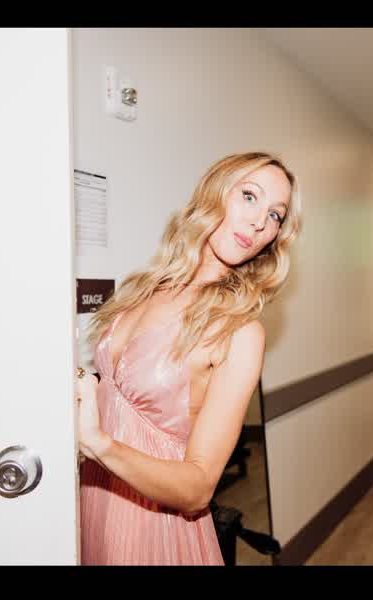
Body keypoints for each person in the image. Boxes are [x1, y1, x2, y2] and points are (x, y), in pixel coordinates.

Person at [76, 151, 302, 565]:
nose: (260, 222)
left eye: (275, 215)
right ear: (214, 192)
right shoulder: (145, 287)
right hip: (94, 495)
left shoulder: (239, 332)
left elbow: (199, 488)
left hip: (154, 528)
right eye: (249, 196)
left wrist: (99, 445)